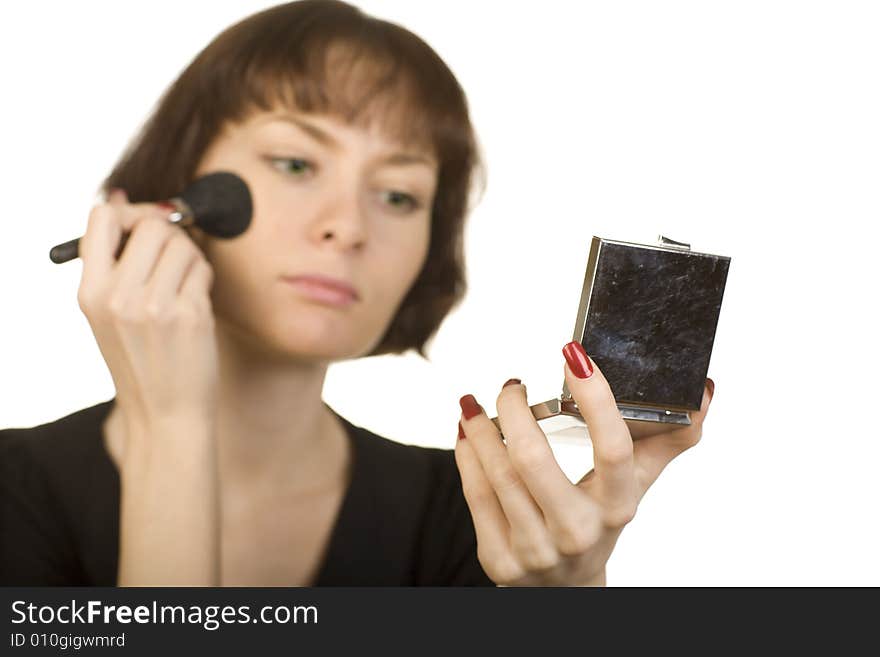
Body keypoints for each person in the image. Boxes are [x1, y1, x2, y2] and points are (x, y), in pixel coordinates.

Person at [0, 0, 714, 587]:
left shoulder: (470, 517)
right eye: (293, 162)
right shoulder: (15, 491)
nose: (348, 225)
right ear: (175, 188)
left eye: (399, 196)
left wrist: (565, 605)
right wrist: (174, 430)